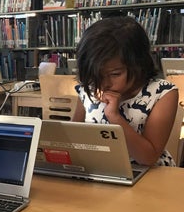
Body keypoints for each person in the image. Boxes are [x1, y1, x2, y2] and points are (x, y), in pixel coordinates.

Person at [72, 16, 179, 166]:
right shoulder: (89, 88)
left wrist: (114, 117)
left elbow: (148, 158)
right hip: (103, 170)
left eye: (115, 74)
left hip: (149, 174)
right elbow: (73, 139)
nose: (105, 83)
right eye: (96, 75)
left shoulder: (162, 93)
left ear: (139, 64)